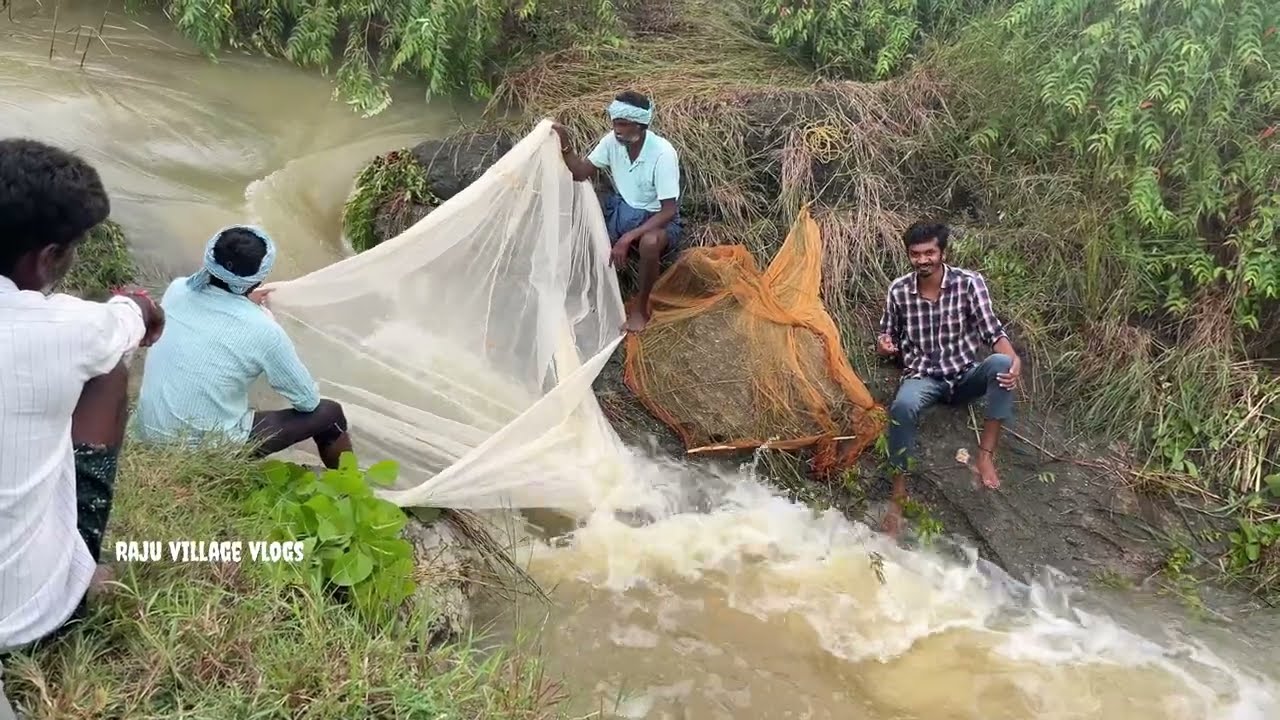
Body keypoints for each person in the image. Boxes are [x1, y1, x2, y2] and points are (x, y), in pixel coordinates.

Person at [0, 138, 165, 715]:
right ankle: (79, 562)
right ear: (45, 259)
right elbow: (133, 316)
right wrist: (142, 306)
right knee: (108, 370)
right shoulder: (72, 327)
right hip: (19, 616)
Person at [133, 225, 353, 469]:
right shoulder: (264, 329)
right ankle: (349, 488)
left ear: (209, 258)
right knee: (330, 415)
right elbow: (307, 401)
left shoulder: (178, 289)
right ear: (259, 276)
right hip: (203, 454)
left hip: (148, 433)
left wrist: (243, 302)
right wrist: (261, 318)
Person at [876, 222, 1021, 535]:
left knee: (1001, 363)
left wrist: (1014, 359)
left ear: (942, 252)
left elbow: (992, 331)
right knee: (901, 406)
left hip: (964, 373)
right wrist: (885, 344)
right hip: (923, 377)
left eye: (930, 252)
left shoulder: (969, 283)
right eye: (916, 254)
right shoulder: (899, 290)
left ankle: (985, 456)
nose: (923, 259)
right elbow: (887, 334)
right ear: (908, 256)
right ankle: (898, 496)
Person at [551, 90, 684, 333]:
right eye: (614, 123)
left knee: (650, 243)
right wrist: (565, 142)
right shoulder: (612, 143)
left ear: (641, 125)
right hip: (623, 212)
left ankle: (641, 310)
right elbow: (580, 172)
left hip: (657, 221)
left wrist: (628, 238)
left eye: (623, 124)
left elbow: (669, 211)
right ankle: (582, 289)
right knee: (584, 218)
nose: (617, 130)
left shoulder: (663, 154)